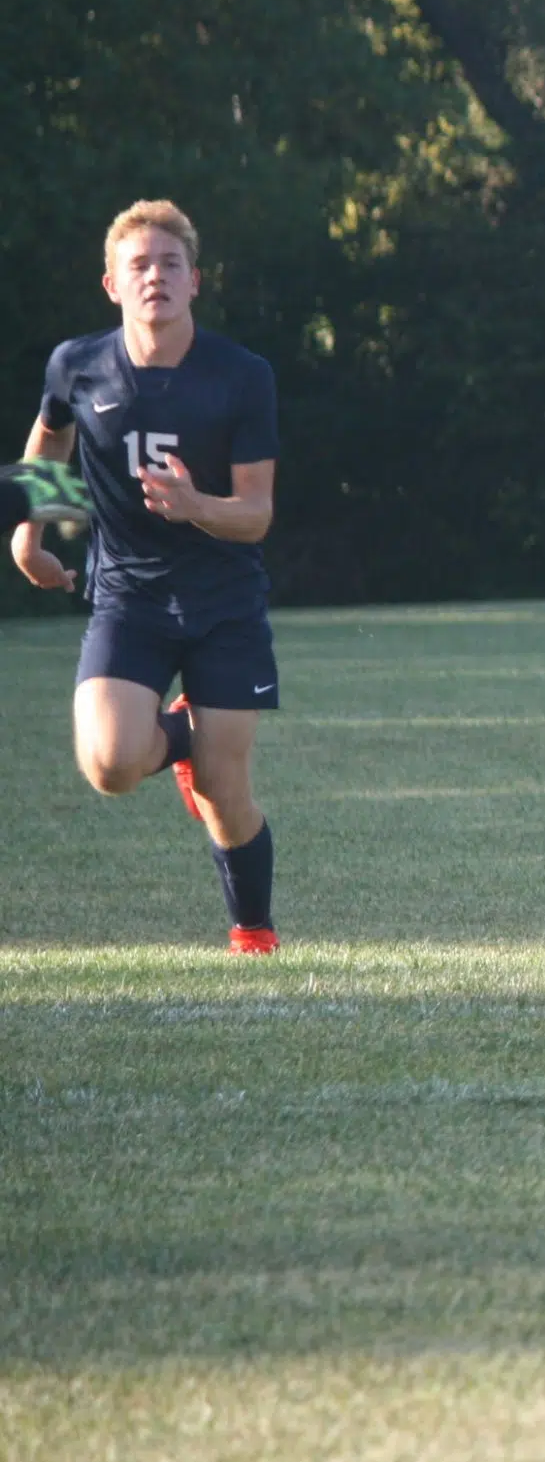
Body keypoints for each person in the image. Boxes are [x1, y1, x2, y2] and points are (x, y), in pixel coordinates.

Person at [11, 202, 285, 951]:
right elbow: (52, 438)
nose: (155, 276)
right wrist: (28, 535)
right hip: (128, 598)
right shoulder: (77, 363)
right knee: (109, 764)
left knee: (228, 794)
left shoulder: (242, 375)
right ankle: (181, 740)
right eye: (139, 265)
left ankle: (253, 933)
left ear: (195, 281)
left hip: (224, 603)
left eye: (170, 264)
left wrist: (197, 504)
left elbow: (256, 514)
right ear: (112, 284)